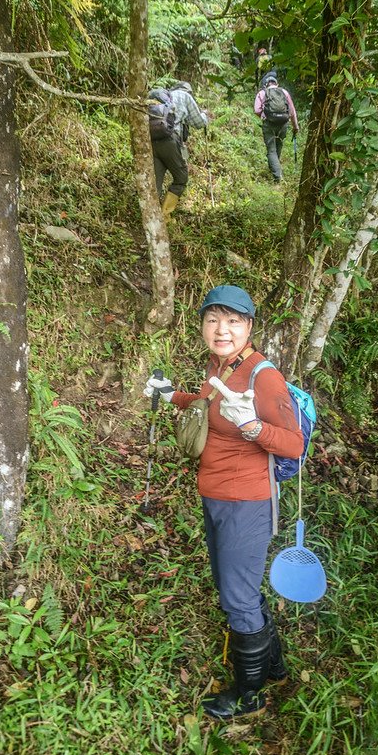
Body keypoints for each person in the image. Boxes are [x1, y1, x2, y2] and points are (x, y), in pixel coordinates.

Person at [144, 285, 304, 720]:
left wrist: (252, 426)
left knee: (236, 598)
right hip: (215, 495)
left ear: (249, 327)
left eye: (233, 321)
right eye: (213, 319)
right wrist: (169, 394)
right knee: (239, 590)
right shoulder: (221, 366)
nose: (222, 329)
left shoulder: (261, 375)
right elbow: (207, 404)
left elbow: (292, 444)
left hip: (245, 502)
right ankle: (274, 666)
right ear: (202, 325)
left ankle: (249, 695)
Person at [150, 81, 208, 219]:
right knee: (181, 178)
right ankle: (164, 216)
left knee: (155, 183)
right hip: (169, 141)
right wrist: (205, 115)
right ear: (188, 91)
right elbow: (199, 122)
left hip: (152, 141)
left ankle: (151, 217)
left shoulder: (162, 98)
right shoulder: (185, 96)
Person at [254, 74, 299, 183]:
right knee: (278, 145)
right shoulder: (284, 92)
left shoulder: (262, 93)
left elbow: (257, 110)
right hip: (283, 123)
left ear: (265, 85)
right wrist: (295, 127)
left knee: (271, 150)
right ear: (276, 84)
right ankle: (275, 169)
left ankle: (277, 176)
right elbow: (292, 112)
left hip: (269, 124)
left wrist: (265, 116)